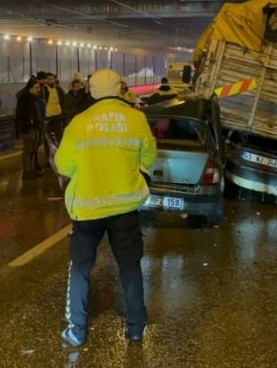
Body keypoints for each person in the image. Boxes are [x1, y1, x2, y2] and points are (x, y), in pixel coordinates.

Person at [55, 68, 157, 347]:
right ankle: (136, 328)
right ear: (120, 89)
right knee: (130, 266)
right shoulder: (136, 118)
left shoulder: (80, 122)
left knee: (80, 268)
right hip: (125, 207)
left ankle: (76, 330)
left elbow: (63, 165)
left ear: (90, 90)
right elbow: (149, 155)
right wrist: (139, 178)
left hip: (88, 209)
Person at [15, 78, 45, 179]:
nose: (38, 89)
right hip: (28, 128)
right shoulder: (25, 100)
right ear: (30, 89)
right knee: (27, 150)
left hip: (36, 127)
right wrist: (28, 123)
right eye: (36, 87)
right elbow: (21, 114)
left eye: (38, 87)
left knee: (33, 149)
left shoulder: (35, 99)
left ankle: (32, 169)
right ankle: (26, 171)